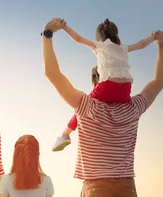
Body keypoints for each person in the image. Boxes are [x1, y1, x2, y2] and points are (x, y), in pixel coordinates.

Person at [41, 17, 163, 197]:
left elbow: (53, 74)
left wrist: (48, 35)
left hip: (95, 188)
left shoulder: (86, 106)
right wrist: (162, 46)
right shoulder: (133, 108)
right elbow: (158, 81)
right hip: (125, 188)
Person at [52, 18, 156, 151]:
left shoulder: (100, 46)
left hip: (107, 86)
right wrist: (153, 37)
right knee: (109, 105)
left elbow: (77, 38)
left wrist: (64, 27)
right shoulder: (123, 48)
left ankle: (65, 134)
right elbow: (141, 44)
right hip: (125, 90)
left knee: (82, 106)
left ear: (99, 37)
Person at [52, 66, 99, 151]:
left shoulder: (92, 97)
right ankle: (64, 135)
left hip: (93, 106)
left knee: (81, 107)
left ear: (93, 84)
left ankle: (64, 134)